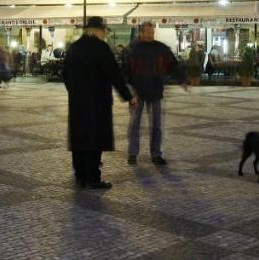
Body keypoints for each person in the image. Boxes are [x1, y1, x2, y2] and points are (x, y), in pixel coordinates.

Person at [63, 16, 136, 190]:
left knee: (79, 138)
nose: (105, 35)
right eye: (104, 31)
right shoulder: (101, 48)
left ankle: (80, 174)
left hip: (78, 103)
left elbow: (65, 75)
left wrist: (75, 93)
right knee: (95, 140)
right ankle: (93, 178)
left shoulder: (74, 48)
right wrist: (128, 96)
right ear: (97, 31)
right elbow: (114, 75)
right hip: (97, 102)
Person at [124, 21, 187, 166]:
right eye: (148, 32)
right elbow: (125, 70)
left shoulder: (161, 48)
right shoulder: (133, 49)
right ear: (141, 33)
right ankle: (132, 153)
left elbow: (173, 64)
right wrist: (129, 92)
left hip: (156, 92)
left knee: (156, 125)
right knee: (135, 124)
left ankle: (156, 154)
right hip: (137, 92)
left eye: (152, 32)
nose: (150, 35)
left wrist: (181, 79)